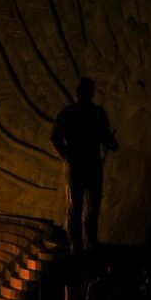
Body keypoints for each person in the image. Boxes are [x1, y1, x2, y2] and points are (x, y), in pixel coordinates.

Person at [51, 78, 118, 253]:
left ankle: (81, 245)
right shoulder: (95, 113)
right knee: (85, 207)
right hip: (89, 164)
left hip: (82, 165)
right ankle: (83, 245)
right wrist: (111, 143)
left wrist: (67, 156)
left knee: (82, 207)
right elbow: (106, 139)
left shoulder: (70, 113)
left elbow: (55, 139)